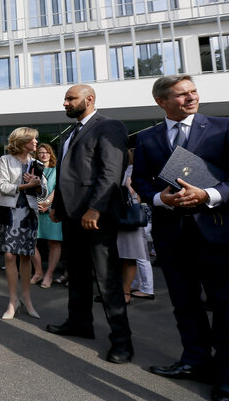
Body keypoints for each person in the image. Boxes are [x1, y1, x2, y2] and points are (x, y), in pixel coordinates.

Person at [132, 75, 229, 401]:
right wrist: (161, 199)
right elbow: (143, 183)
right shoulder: (147, 138)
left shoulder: (222, 127)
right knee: (184, 304)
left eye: (193, 91)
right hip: (171, 235)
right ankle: (194, 361)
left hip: (217, 232)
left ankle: (226, 377)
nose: (191, 98)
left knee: (225, 305)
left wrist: (210, 194)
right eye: (182, 94)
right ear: (162, 101)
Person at [47, 84, 133, 365]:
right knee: (78, 274)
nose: (65, 103)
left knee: (107, 280)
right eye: (65, 99)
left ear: (89, 99)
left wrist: (95, 208)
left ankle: (122, 342)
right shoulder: (70, 134)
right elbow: (65, 175)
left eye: (70, 98)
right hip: (71, 216)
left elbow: (112, 171)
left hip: (96, 217)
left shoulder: (108, 126)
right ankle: (79, 323)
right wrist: (58, 205)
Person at [0, 127, 45, 320]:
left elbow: (43, 192)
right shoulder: (5, 160)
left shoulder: (37, 163)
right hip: (9, 212)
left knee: (25, 256)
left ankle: (26, 298)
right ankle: (12, 301)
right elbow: (2, 186)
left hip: (29, 213)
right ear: (21, 141)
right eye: (32, 140)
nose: (36, 143)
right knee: (9, 256)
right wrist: (27, 185)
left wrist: (38, 184)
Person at [116, 149, 153, 305]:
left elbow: (131, 191)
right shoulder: (117, 169)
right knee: (121, 256)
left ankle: (129, 291)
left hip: (129, 216)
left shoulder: (131, 170)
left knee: (133, 255)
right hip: (116, 216)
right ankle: (128, 288)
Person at [31, 143, 62, 289]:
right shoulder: (34, 169)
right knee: (30, 241)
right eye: (41, 152)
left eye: (47, 152)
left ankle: (49, 274)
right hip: (34, 209)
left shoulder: (57, 169)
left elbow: (58, 188)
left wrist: (47, 203)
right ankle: (38, 271)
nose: (44, 155)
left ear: (51, 154)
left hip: (52, 210)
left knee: (54, 243)